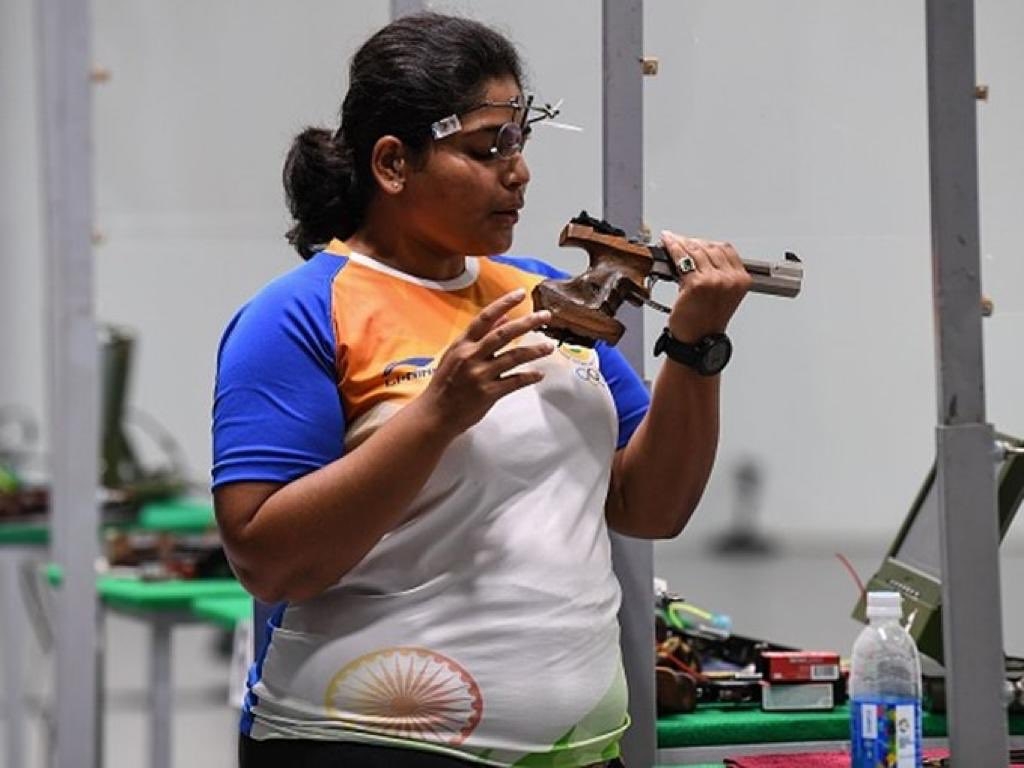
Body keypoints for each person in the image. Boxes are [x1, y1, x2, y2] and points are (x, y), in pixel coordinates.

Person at [212, 12, 750, 768]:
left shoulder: (541, 293)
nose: (518, 171)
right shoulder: (299, 313)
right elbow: (268, 561)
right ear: (393, 164)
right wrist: (438, 413)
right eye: (486, 147)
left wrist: (695, 346)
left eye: (520, 141)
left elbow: (650, 505)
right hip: (365, 747)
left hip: (577, 753)